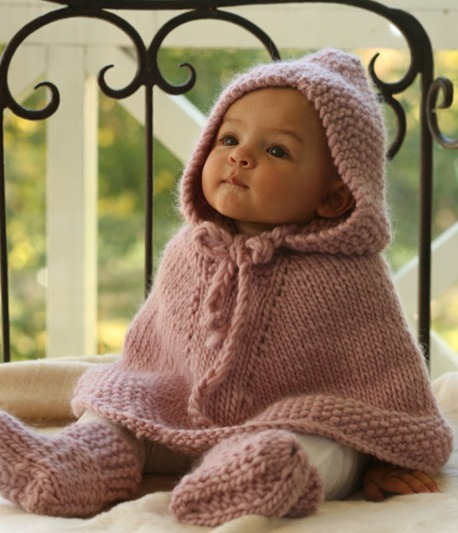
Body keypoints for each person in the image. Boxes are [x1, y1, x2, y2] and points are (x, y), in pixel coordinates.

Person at [0, 49, 453, 527]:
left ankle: (253, 477)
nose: (240, 156)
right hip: (173, 413)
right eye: (230, 138)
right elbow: (151, 355)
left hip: (289, 421)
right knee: (116, 408)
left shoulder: (348, 275)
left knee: (323, 445)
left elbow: (386, 377)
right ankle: (77, 464)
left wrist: (390, 457)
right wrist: (134, 393)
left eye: (276, 151)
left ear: (335, 195)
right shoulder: (189, 250)